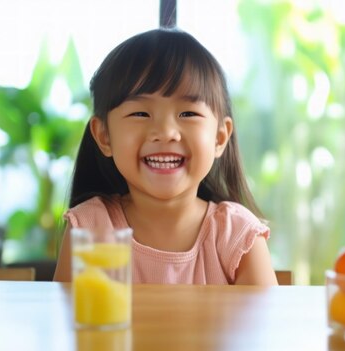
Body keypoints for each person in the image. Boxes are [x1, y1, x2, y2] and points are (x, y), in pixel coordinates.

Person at [53, 28, 278, 285]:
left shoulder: (237, 235)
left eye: (188, 114)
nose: (165, 133)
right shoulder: (90, 229)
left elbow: (266, 325)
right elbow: (68, 323)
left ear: (219, 137)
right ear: (104, 136)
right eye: (140, 114)